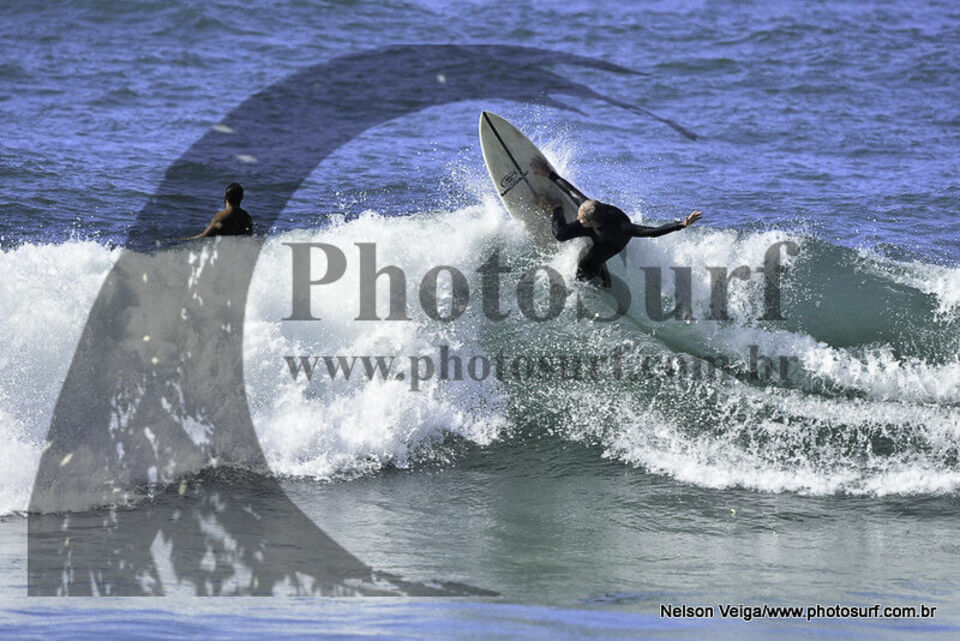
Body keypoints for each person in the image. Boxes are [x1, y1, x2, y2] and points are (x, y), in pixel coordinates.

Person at [531, 157, 701, 288]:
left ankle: (599, 268)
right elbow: (571, 191)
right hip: (594, 230)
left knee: (584, 270)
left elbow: (652, 231)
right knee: (560, 234)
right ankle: (556, 207)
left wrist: (681, 224)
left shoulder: (622, 227)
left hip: (610, 244)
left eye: (581, 218)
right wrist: (549, 174)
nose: (577, 219)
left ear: (591, 221)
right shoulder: (590, 207)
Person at [183, 183, 254, 239]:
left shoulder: (222, 216)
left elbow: (205, 236)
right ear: (241, 198)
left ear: (226, 198)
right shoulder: (246, 217)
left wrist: (183, 240)